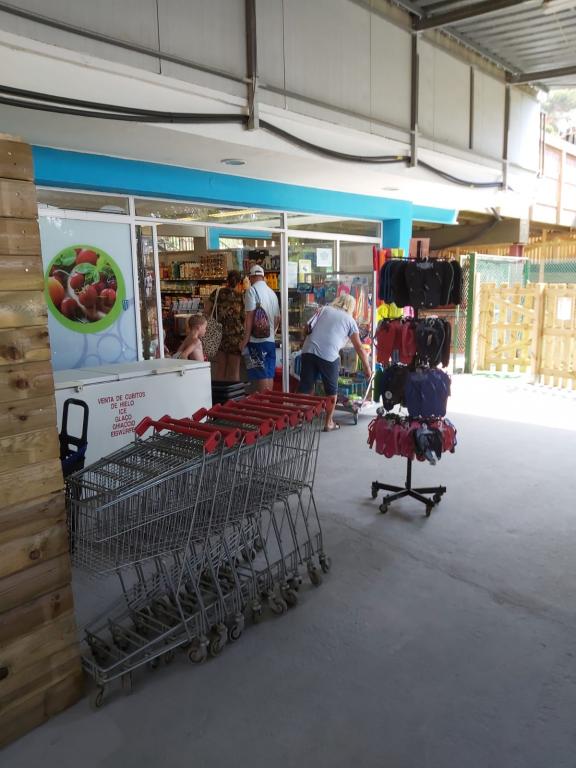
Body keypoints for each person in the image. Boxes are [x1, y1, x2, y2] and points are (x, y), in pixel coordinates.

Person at [298, 293, 371, 432]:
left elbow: (307, 327)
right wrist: (367, 368)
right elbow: (359, 347)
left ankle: (300, 419)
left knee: (305, 387)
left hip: (308, 349)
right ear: (351, 307)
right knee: (331, 391)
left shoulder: (324, 309)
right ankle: (328, 423)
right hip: (329, 355)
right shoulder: (350, 320)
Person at [239, 264, 281, 392]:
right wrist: (271, 333)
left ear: (251, 277)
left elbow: (250, 317)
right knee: (269, 373)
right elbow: (277, 318)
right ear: (263, 276)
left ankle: (263, 402)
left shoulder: (251, 291)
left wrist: (245, 340)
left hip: (257, 341)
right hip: (270, 341)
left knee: (260, 373)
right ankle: (268, 401)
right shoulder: (272, 293)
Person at [205, 270, 245, 381]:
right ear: (239, 282)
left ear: (227, 280)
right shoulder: (240, 297)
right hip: (235, 337)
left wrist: (216, 318)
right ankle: (233, 392)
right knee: (234, 370)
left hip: (219, 335)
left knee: (220, 368)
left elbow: (206, 310)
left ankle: (220, 392)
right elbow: (244, 318)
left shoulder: (217, 293)